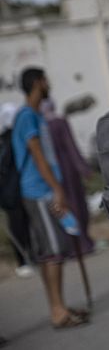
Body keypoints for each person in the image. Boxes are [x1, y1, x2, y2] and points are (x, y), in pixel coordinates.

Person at [11, 68, 88, 329]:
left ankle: (59, 306)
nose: (48, 84)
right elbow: (37, 156)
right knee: (53, 252)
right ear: (36, 83)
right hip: (39, 191)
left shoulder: (34, 116)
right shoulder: (26, 117)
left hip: (44, 190)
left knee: (51, 252)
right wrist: (57, 189)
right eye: (45, 80)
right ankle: (58, 311)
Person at [40, 99, 95, 256]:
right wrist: (83, 168)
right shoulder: (59, 122)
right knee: (76, 205)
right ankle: (82, 243)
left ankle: (71, 246)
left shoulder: (42, 125)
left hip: (52, 172)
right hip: (68, 169)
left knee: (63, 208)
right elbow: (70, 146)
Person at [0, 102, 34, 278]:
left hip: (14, 190)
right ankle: (22, 261)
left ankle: (29, 257)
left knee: (24, 224)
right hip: (11, 192)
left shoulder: (10, 138)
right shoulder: (8, 140)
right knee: (19, 226)